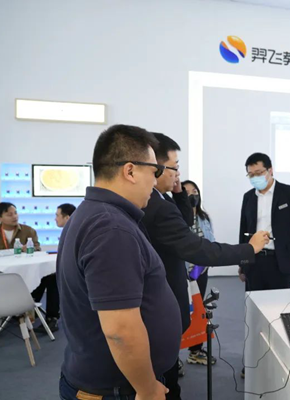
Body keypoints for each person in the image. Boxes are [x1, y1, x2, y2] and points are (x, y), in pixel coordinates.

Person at [141, 133, 269, 399]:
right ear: (156, 168)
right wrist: (249, 248)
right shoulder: (153, 205)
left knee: (168, 377)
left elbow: (184, 222)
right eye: (174, 167)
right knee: (165, 384)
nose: (178, 173)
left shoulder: (161, 199)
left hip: (166, 300)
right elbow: (200, 248)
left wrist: (178, 191)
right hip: (159, 305)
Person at [57, 124, 179, 400]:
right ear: (130, 171)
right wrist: (147, 388)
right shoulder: (111, 229)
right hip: (118, 389)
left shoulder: (95, 214)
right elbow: (120, 330)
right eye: (154, 171)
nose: (156, 181)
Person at [239, 153, 290, 291]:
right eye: (251, 175)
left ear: (270, 170)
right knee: (254, 301)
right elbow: (243, 230)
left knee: (280, 301)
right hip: (254, 261)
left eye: (258, 173)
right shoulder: (248, 197)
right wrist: (242, 263)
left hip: (280, 260)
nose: (255, 177)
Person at [181, 179, 215, 366]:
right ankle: (172, 358)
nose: (192, 195)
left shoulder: (204, 217)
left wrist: (202, 266)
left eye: (194, 191)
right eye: (186, 192)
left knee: (198, 312)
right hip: (182, 274)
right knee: (179, 314)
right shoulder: (176, 217)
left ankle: (195, 351)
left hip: (200, 272)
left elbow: (211, 241)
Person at [31, 203, 77, 333]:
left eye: (57, 215)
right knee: (48, 276)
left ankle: (35, 310)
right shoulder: (71, 230)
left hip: (74, 272)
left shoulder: (73, 232)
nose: (55, 219)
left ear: (67, 217)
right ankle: (42, 313)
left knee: (50, 277)